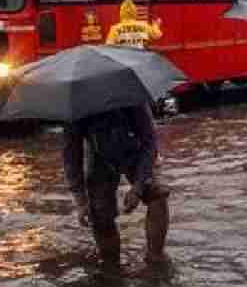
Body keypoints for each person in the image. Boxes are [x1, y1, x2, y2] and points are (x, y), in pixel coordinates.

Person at [64, 105, 170, 267]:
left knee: (158, 195)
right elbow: (72, 157)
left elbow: (150, 143)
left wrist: (138, 187)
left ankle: (155, 257)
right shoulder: (76, 108)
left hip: (136, 149)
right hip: (99, 156)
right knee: (99, 215)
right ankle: (111, 267)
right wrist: (81, 201)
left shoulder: (131, 96)